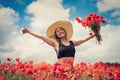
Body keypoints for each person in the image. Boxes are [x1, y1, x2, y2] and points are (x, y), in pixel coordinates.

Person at [21, 20, 95, 64]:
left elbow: (83, 40)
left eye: (61, 30)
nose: (60, 32)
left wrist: (93, 35)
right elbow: (41, 36)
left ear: (64, 31)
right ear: (56, 35)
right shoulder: (55, 44)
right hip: (60, 71)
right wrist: (28, 31)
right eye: (57, 31)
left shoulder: (72, 42)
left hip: (71, 70)